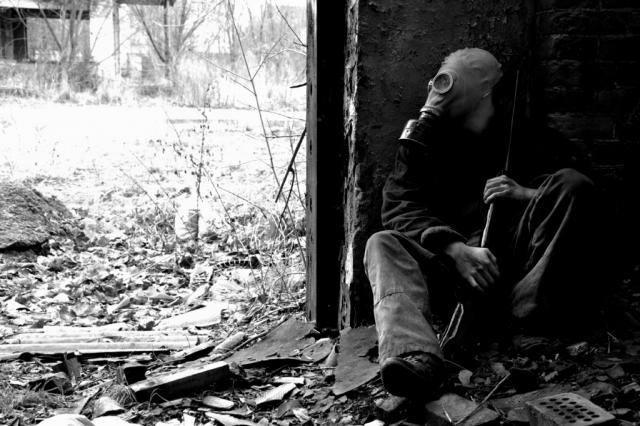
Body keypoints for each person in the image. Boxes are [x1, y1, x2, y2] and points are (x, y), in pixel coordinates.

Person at [364, 48, 599, 399]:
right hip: (450, 267)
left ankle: (528, 321)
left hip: (514, 269)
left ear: (486, 90)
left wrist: (524, 194)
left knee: (571, 182)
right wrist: (454, 248)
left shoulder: (525, 135)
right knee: (381, 242)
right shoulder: (424, 137)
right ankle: (416, 355)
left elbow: (586, 194)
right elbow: (399, 206)